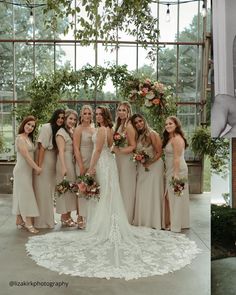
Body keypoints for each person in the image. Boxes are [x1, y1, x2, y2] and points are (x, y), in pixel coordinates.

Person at [26, 106, 199, 280]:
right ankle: (103, 220)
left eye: (99, 114)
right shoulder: (109, 129)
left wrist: (91, 168)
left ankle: (103, 224)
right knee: (107, 194)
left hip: (102, 164)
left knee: (103, 195)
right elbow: (110, 148)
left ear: (104, 116)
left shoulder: (102, 129)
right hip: (108, 164)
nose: (97, 116)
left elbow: (99, 150)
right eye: (97, 114)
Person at [130, 114, 164, 229]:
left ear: (144, 121)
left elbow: (159, 152)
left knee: (152, 192)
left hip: (154, 167)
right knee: (142, 192)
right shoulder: (137, 136)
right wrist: (138, 158)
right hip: (142, 167)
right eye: (136, 123)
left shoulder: (153, 134)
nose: (139, 124)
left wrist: (149, 162)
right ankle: (142, 220)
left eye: (140, 121)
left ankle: (154, 221)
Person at [34, 109, 65, 229]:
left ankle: (49, 218)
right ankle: (43, 220)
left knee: (50, 192)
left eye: (63, 118)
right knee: (43, 191)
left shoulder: (59, 130)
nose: (60, 120)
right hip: (45, 161)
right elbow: (41, 148)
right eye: (59, 117)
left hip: (53, 161)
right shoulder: (47, 127)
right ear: (54, 117)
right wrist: (39, 166)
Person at [12, 116, 42, 234]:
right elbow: (26, 156)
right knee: (27, 195)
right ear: (23, 124)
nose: (30, 127)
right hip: (21, 171)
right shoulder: (20, 138)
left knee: (21, 194)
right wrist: (37, 168)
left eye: (32, 126)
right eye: (28, 124)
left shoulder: (28, 138)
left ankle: (19, 220)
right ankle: (28, 223)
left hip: (27, 171)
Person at [162, 116, 190, 233]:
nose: (168, 126)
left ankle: (176, 225)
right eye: (166, 124)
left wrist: (176, 174)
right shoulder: (169, 137)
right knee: (171, 197)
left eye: (170, 124)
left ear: (176, 125)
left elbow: (177, 158)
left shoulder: (177, 139)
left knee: (175, 197)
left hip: (178, 170)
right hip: (170, 169)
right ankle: (178, 222)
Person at [112, 101, 136, 224]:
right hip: (119, 160)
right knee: (120, 187)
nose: (121, 112)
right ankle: (120, 215)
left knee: (127, 187)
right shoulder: (119, 125)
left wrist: (120, 150)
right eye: (119, 110)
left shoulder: (129, 126)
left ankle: (127, 217)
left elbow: (133, 146)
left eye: (124, 110)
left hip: (127, 160)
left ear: (128, 112)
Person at [73, 105, 95, 228]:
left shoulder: (94, 129)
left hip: (93, 161)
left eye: (89, 113)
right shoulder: (78, 129)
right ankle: (80, 216)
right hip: (82, 159)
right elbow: (76, 148)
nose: (87, 116)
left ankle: (89, 215)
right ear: (81, 115)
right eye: (85, 113)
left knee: (91, 188)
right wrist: (81, 165)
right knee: (81, 189)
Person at [55, 109, 78, 227]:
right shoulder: (61, 132)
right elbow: (61, 151)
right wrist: (63, 167)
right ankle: (64, 216)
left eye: (74, 119)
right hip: (64, 162)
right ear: (65, 119)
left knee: (70, 189)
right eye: (70, 119)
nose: (72, 121)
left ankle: (68, 215)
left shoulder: (71, 131)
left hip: (71, 162)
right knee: (64, 189)